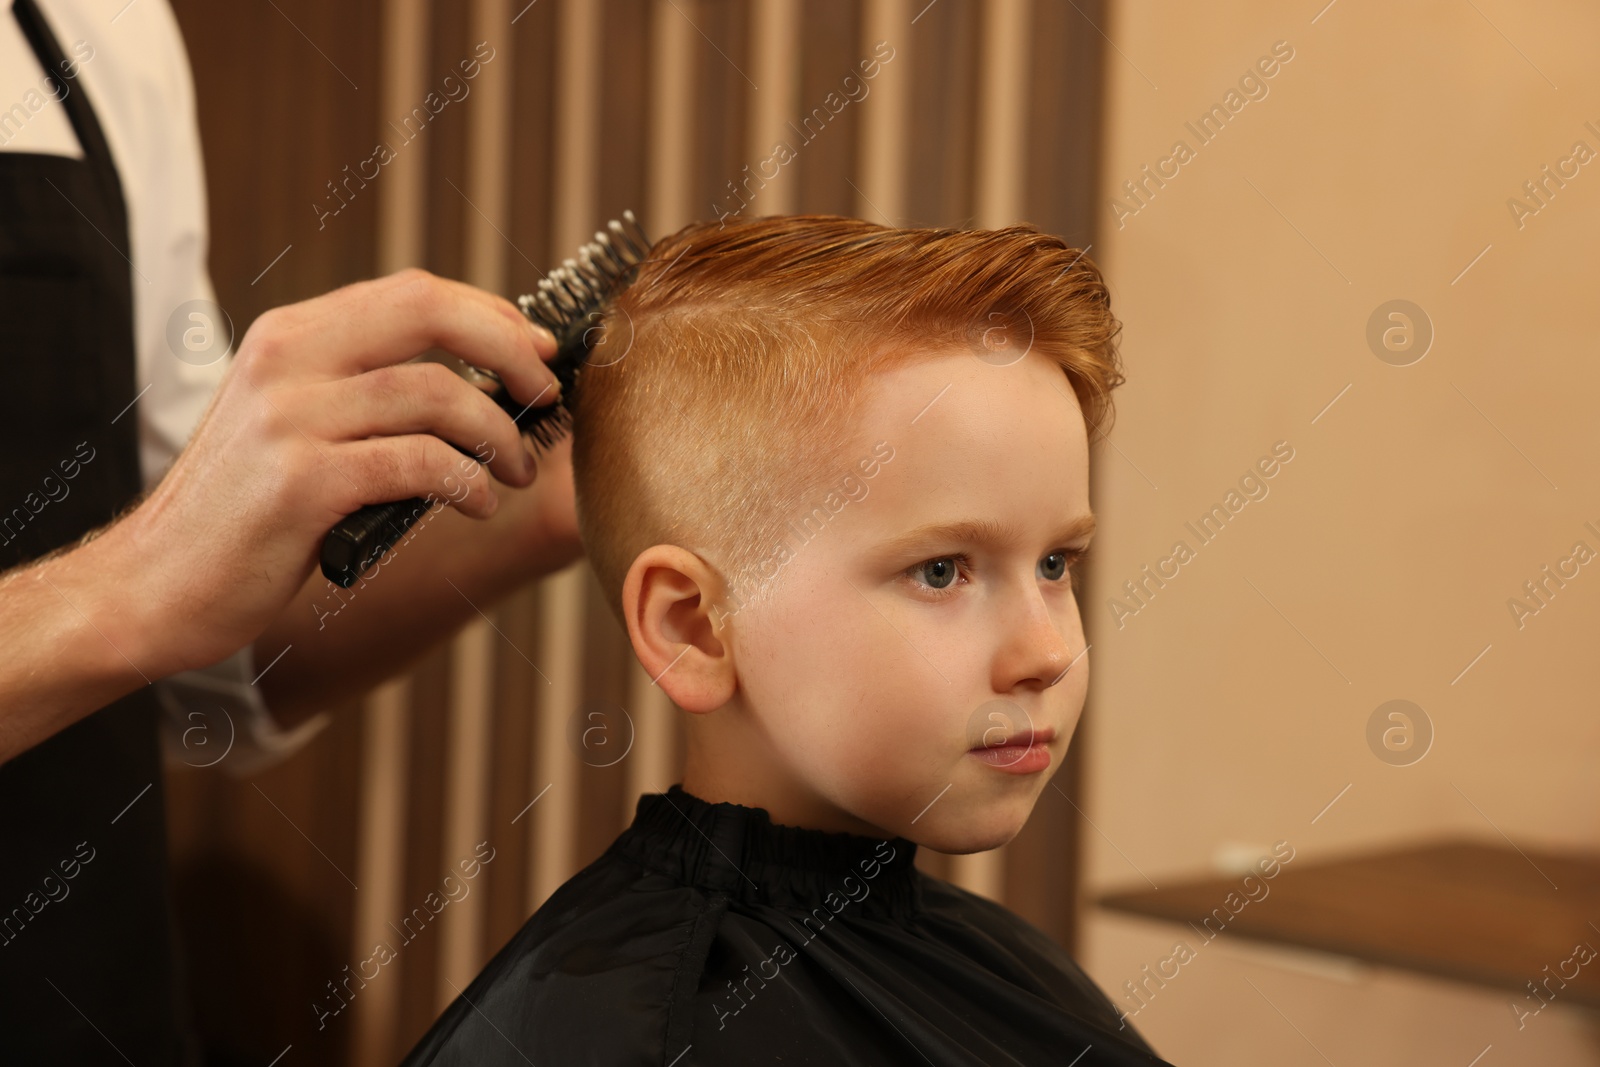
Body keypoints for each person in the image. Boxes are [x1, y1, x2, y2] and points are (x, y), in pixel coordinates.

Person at [395, 215, 1174, 1065]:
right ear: (691, 625)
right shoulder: (638, 1033)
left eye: (1057, 562)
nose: (1048, 651)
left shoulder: (1004, 963)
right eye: (943, 571)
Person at [0, 1, 581, 1062]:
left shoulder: (99, 25)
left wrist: (555, 493)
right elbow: (151, 584)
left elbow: (209, 642)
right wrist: (125, 584)